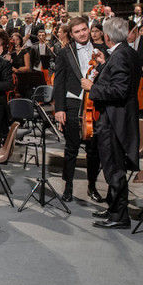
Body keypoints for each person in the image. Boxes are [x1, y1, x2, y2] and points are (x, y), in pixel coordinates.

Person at [81, 18, 141, 229]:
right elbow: (116, 77)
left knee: (114, 169)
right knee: (112, 167)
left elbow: (120, 90)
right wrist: (103, 64)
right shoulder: (126, 52)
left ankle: (119, 216)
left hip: (114, 121)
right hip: (117, 118)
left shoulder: (121, 55)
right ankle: (113, 207)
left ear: (106, 36)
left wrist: (91, 87)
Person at [54, 17, 107, 203]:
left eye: (84, 29)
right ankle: (68, 187)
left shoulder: (102, 50)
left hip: (96, 103)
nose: (82, 34)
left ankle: (92, 187)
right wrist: (59, 108)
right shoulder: (64, 53)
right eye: (77, 31)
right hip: (73, 103)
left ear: (89, 29)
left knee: (94, 150)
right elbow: (58, 82)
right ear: (71, 34)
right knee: (71, 148)